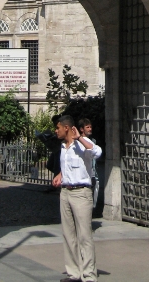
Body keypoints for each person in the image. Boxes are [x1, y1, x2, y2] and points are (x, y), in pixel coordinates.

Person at [52, 114, 102, 282]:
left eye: (58, 127)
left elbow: (97, 152)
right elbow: (68, 166)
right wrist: (60, 175)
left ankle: (89, 275)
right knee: (68, 234)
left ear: (66, 128)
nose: (55, 130)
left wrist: (80, 137)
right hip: (65, 192)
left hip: (81, 193)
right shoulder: (63, 147)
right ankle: (74, 273)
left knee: (84, 236)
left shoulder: (82, 146)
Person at [78, 118, 99, 211]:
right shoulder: (78, 142)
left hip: (92, 173)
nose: (90, 129)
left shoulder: (92, 141)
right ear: (82, 129)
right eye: (87, 127)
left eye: (90, 127)